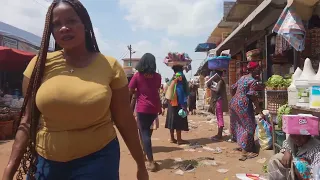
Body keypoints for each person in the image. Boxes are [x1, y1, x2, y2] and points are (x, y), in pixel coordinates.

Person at [2, 1, 148, 180]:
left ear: (85, 25)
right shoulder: (39, 65)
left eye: (71, 21)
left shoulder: (109, 66)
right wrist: (10, 168)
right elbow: (28, 120)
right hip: (47, 163)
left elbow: (125, 120)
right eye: (56, 24)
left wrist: (141, 165)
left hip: (98, 160)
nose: (64, 28)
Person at [129, 53, 162, 172]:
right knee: (146, 132)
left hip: (142, 109)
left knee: (144, 133)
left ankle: (151, 161)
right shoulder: (158, 76)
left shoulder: (137, 76)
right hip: (154, 108)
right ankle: (144, 154)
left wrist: (137, 92)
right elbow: (156, 90)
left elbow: (130, 90)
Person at [229, 61, 262, 161]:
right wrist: (259, 109)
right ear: (254, 69)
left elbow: (232, 88)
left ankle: (243, 145)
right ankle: (245, 152)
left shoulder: (242, 78)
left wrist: (236, 97)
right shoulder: (252, 81)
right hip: (243, 104)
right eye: (258, 68)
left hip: (234, 102)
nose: (260, 70)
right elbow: (253, 96)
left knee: (240, 124)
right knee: (249, 125)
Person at [165, 66, 189, 145]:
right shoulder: (181, 78)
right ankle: (179, 139)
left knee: (171, 119)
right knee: (179, 119)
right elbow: (185, 91)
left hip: (171, 102)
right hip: (179, 102)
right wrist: (184, 105)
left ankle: (172, 138)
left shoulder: (172, 79)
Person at [208, 70, 228, 141]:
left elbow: (217, 90)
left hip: (219, 101)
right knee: (219, 116)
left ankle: (219, 135)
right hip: (219, 100)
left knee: (219, 117)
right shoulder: (220, 81)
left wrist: (210, 87)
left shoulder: (220, 81)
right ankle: (219, 134)